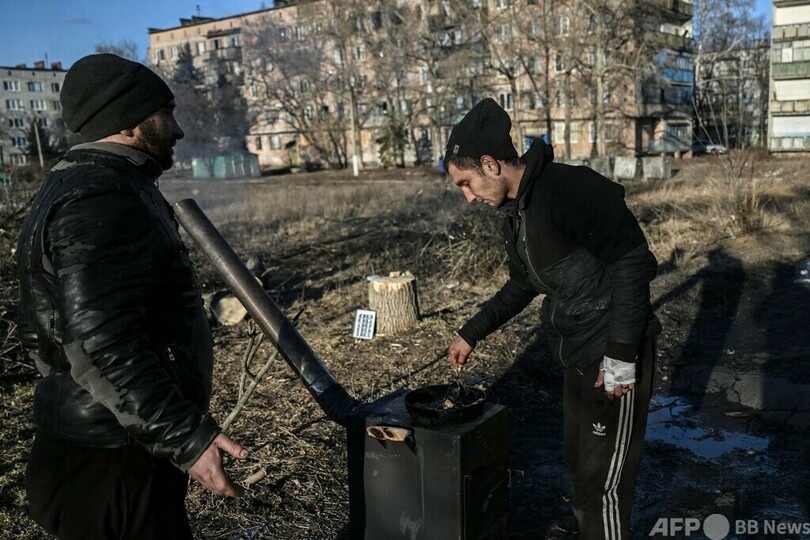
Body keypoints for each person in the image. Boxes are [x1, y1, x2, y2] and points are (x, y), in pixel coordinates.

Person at [16, 53, 248, 540]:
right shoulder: (102, 197)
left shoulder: (88, 184)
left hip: (113, 445)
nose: (178, 129)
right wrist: (184, 435)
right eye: (167, 112)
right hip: (111, 461)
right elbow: (100, 341)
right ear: (129, 120)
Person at [444, 98, 661, 540]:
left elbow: (634, 261)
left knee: (605, 489)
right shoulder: (517, 215)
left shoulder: (568, 189)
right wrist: (472, 332)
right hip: (577, 358)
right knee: (581, 475)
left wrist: (621, 357)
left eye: (466, 183)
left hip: (612, 360)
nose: (467, 197)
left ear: (490, 164)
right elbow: (523, 284)